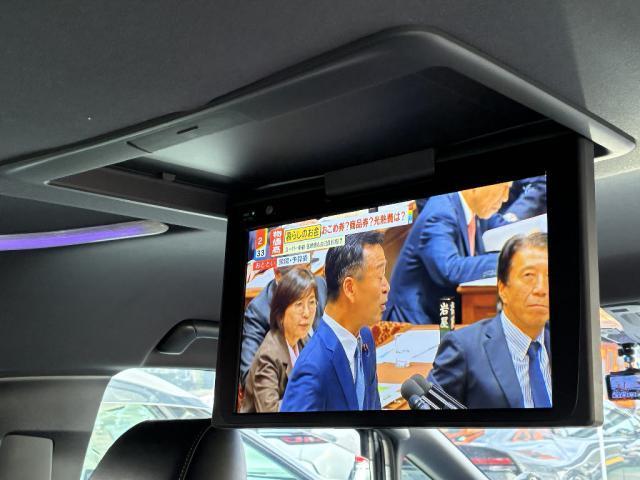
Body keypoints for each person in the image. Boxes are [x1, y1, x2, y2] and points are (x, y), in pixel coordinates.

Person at [427, 232, 551, 409]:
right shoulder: (463, 348)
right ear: (502, 288)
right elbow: (428, 412)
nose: (541, 289)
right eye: (528, 276)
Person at [281, 232, 386, 411]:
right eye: (379, 276)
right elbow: (292, 429)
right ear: (350, 288)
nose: (386, 287)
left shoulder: (365, 337)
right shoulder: (312, 368)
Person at [384, 182, 511, 324]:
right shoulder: (441, 212)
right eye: (503, 187)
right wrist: (507, 260)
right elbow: (449, 269)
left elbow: (504, 229)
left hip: (445, 311)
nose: (506, 197)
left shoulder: (476, 208)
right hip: (415, 322)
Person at [241, 269, 318, 412]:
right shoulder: (269, 355)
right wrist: (305, 395)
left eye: (312, 302)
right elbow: (269, 412)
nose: (307, 313)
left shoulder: (303, 339)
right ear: (281, 313)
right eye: (299, 304)